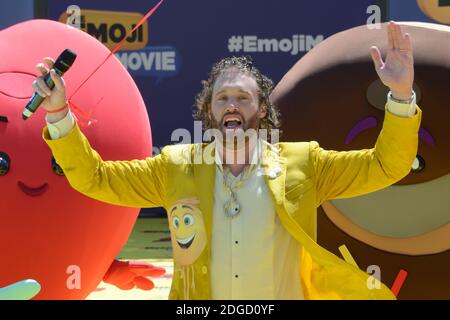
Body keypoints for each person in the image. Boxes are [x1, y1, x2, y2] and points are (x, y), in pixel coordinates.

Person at [35, 21, 421, 299]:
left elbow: (387, 165)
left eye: (243, 97)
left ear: (263, 111)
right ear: (209, 110)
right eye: (222, 98)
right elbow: (95, 178)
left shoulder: (305, 163)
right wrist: (57, 114)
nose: (232, 105)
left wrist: (401, 97)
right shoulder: (175, 166)